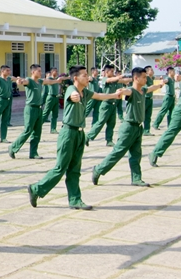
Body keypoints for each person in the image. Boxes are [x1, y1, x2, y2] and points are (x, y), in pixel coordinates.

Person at [27, 65, 122, 210]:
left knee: (75, 170)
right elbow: (71, 96)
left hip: (79, 133)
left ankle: (75, 200)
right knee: (60, 168)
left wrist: (115, 95)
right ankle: (36, 189)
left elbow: (99, 96)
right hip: (68, 134)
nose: (88, 77)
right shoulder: (72, 90)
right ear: (76, 78)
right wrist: (74, 97)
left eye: (87, 74)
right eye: (84, 75)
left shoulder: (85, 92)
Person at [91, 68, 166, 188]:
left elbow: (151, 88)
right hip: (128, 128)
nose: (146, 79)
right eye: (144, 77)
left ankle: (136, 178)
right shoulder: (131, 91)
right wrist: (121, 91)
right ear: (136, 78)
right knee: (118, 152)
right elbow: (126, 91)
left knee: (136, 154)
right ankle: (98, 170)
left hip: (138, 128)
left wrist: (160, 85)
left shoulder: (143, 90)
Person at [8, 65, 65, 159]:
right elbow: (23, 82)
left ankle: (33, 153)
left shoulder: (40, 81)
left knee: (37, 132)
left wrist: (57, 81)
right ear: (33, 72)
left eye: (40, 70)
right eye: (38, 71)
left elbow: (48, 81)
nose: (40, 72)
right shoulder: (29, 80)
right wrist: (19, 81)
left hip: (39, 109)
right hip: (30, 109)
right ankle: (13, 147)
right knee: (28, 130)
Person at [86, 65, 129, 147]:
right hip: (106, 104)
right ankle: (87, 137)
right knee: (100, 123)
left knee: (111, 124)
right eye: (111, 71)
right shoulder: (105, 79)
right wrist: (119, 76)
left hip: (113, 104)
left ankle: (109, 140)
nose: (113, 73)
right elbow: (112, 79)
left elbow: (122, 80)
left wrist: (133, 78)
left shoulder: (114, 80)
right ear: (106, 72)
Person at [41, 67, 62, 134]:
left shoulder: (56, 79)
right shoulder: (49, 79)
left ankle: (53, 129)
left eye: (57, 71)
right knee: (45, 113)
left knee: (55, 114)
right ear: (52, 72)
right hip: (50, 97)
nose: (57, 72)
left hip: (56, 98)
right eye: (55, 71)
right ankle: (38, 126)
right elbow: (44, 81)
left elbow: (62, 79)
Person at [143, 66, 156, 136]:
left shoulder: (152, 78)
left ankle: (146, 130)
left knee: (148, 116)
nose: (153, 71)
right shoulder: (146, 78)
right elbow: (144, 88)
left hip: (150, 98)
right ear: (147, 72)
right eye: (151, 70)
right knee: (142, 115)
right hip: (145, 98)